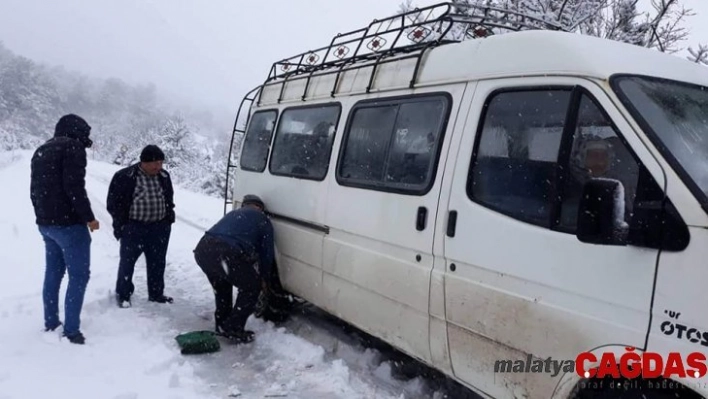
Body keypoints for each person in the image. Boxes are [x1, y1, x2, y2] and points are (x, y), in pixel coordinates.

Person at [30, 114, 100, 345]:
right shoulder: (73, 147)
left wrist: (42, 217)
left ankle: (51, 322)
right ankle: (72, 331)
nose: (86, 140)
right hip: (69, 226)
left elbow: (35, 191)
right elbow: (74, 187)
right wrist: (89, 218)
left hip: (46, 225)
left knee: (53, 274)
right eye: (85, 134)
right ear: (77, 130)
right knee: (79, 276)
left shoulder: (41, 150)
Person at [193, 194, 274, 344]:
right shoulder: (263, 220)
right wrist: (264, 277)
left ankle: (223, 324)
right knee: (252, 287)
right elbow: (266, 254)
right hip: (226, 252)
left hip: (203, 249)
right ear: (260, 208)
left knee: (222, 286)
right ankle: (234, 327)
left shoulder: (234, 214)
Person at [106, 145, 175, 308]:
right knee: (127, 263)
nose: (158, 167)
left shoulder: (164, 176)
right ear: (144, 162)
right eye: (155, 163)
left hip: (159, 228)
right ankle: (123, 295)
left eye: (161, 163)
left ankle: (156, 293)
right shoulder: (125, 176)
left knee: (158, 262)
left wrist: (168, 218)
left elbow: (169, 200)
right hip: (134, 228)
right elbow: (113, 204)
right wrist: (122, 225)